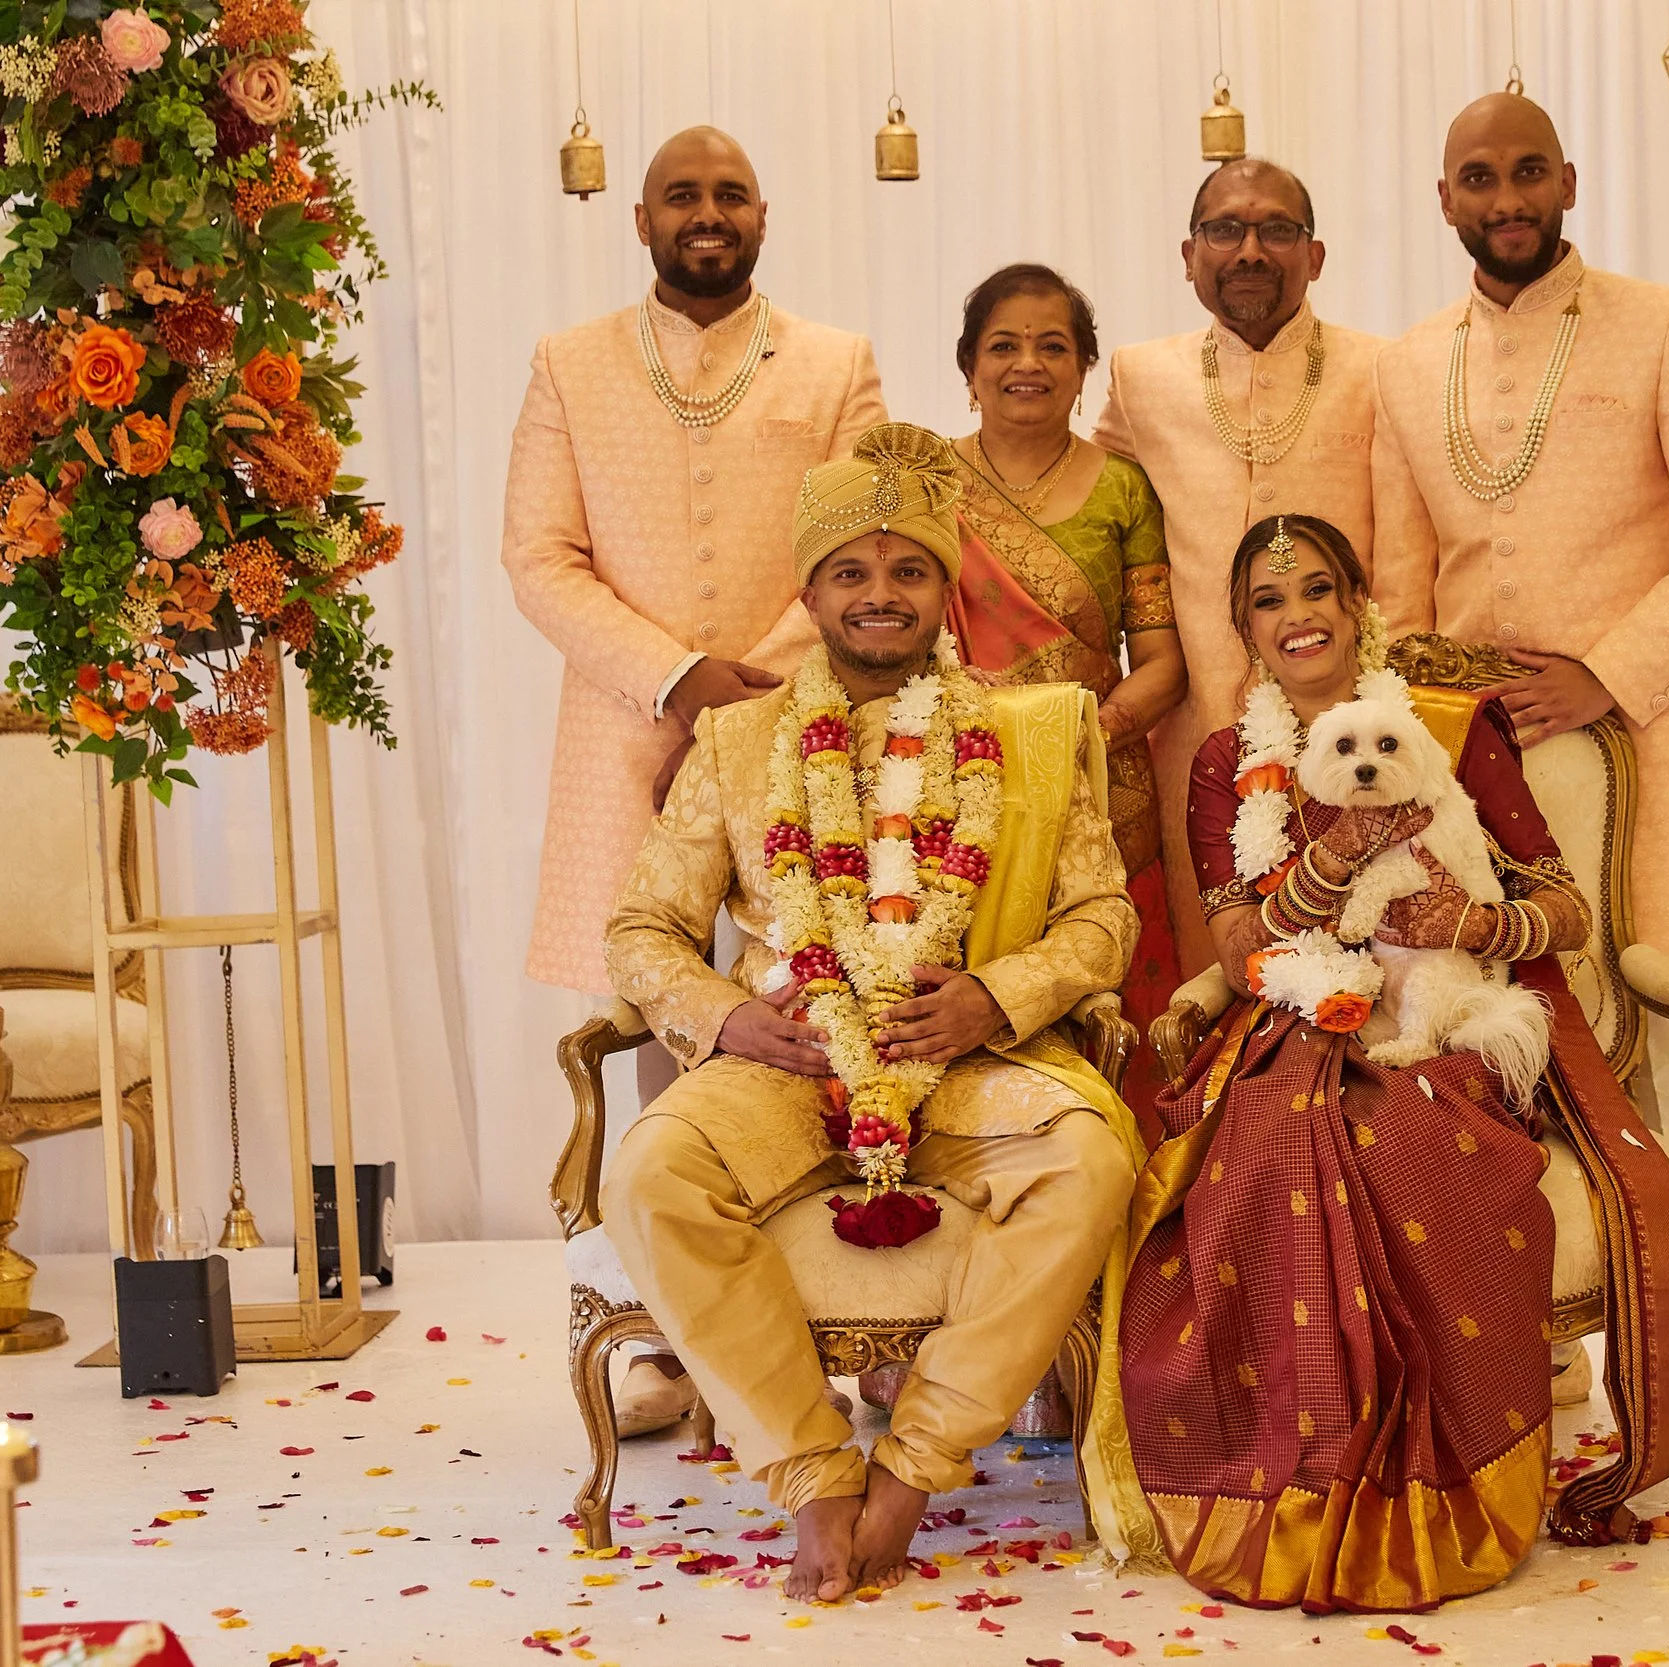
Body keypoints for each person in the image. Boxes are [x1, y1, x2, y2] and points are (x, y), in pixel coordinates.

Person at [1076, 515, 1669, 1610]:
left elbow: (1560, 907)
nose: (1298, 613)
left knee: (1416, 1142)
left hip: (1449, 1010)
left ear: (1358, 604)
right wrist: (1334, 857)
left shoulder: (1451, 733)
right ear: (1243, 629)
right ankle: (1295, 1478)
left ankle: (1436, 1482)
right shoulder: (1231, 762)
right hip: (1296, 1016)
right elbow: (1239, 945)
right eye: (1269, 600)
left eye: (1319, 588)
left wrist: (1472, 919)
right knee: (1274, 1143)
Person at [599, 424, 1145, 1605]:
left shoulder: (1034, 731)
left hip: (975, 1058)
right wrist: (724, 1020)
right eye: (851, 570)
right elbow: (640, 928)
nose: (881, 595)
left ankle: (913, 1464)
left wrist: (997, 994)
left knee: (1092, 1156)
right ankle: (813, 1475)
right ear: (808, 591)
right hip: (787, 1059)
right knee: (647, 1176)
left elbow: (1103, 919)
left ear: (948, 591)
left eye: (908, 571)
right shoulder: (737, 742)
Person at [1369, 93, 1669, 1439]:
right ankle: (1531, 1334)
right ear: (1444, 198)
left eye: (1528, 171)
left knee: (1655, 1043)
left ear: (1569, 177)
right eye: (1478, 176)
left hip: (1639, 739)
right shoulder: (1405, 361)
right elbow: (1392, 573)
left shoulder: (1665, 323)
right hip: (1453, 768)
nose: (1507, 197)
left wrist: (1603, 670)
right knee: (1477, 1040)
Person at [504, 127, 886, 1437]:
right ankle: (674, 1330)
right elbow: (539, 556)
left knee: (835, 1001)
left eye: (729, 193)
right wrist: (675, 680)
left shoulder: (836, 365)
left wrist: (749, 684)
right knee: (674, 1023)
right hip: (630, 740)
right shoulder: (570, 363)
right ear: (642, 217)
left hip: (811, 733)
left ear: (763, 211)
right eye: (684, 195)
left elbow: (867, 539)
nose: (708, 213)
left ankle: (853, 1304)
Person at [1093, 158, 1385, 982]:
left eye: (1277, 230)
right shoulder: (1140, 378)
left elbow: (1404, 551)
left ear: (1316, 255)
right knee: (1210, 970)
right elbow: (1092, 513)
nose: (1250, 249)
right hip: (1194, 738)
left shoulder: (1378, 369)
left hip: (1355, 732)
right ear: (1188, 255)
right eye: (1225, 230)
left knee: (1375, 958)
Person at [948, 262, 1187, 1117]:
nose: (1029, 363)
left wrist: (1082, 738)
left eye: (1055, 346)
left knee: (1118, 1001)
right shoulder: (930, 486)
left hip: (1102, 782)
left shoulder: (1123, 488)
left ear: (1085, 367)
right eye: (1004, 345)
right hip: (958, 781)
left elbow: (1163, 659)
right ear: (968, 365)